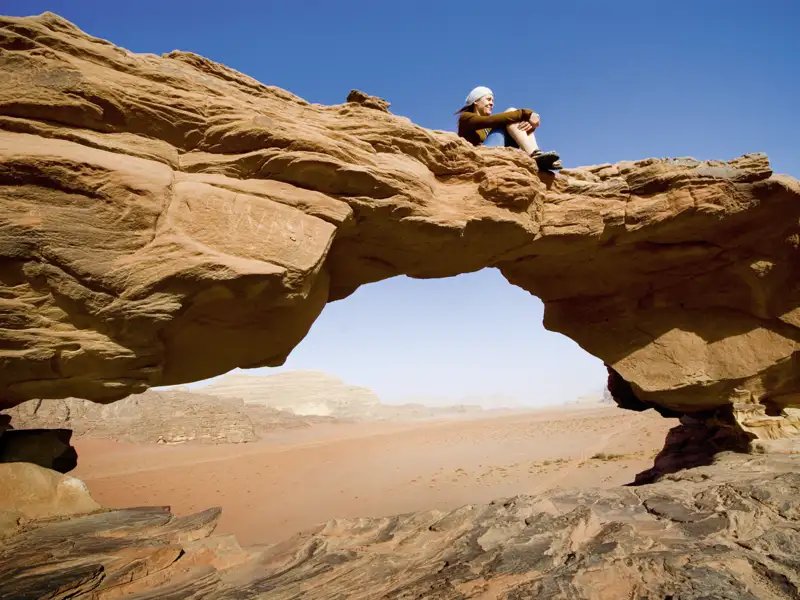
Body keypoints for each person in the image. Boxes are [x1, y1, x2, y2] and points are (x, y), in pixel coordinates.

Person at [456, 86, 561, 171]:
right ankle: (534, 156)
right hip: (481, 156)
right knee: (511, 113)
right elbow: (493, 120)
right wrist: (527, 114)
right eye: (488, 99)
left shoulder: (488, 129)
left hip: (498, 152)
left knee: (520, 122)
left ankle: (537, 155)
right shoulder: (466, 118)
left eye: (493, 100)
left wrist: (529, 124)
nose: (492, 103)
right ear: (475, 101)